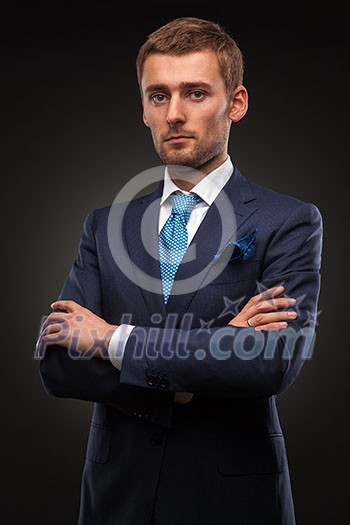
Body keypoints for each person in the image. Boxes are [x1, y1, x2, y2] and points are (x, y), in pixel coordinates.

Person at [36, 16, 323, 525]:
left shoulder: (289, 221)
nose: (174, 114)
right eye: (158, 95)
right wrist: (191, 375)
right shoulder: (105, 225)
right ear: (143, 109)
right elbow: (58, 364)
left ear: (235, 103)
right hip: (115, 498)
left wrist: (111, 340)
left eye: (194, 93)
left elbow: (272, 361)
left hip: (232, 501)